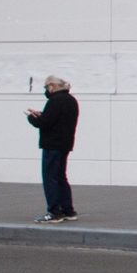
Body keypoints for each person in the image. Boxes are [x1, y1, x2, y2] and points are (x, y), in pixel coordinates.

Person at [25, 75, 78, 223]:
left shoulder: (55, 101)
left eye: (46, 87)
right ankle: (68, 210)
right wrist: (43, 116)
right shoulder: (71, 100)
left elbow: (45, 122)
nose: (46, 90)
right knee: (61, 176)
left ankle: (54, 211)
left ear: (52, 86)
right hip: (65, 143)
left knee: (50, 178)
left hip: (52, 144)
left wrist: (32, 117)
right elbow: (57, 119)